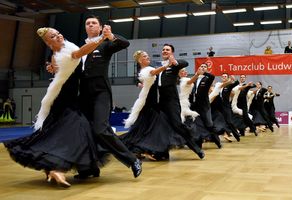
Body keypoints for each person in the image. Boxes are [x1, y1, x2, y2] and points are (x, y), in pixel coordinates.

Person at [4, 27, 107, 188]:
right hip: (64, 100)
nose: (58, 36)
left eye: (58, 33)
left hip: (68, 98)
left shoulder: (60, 52)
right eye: (53, 36)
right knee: (73, 131)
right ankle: (57, 168)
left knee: (58, 133)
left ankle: (55, 168)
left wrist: (54, 69)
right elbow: (81, 52)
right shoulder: (65, 53)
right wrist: (100, 39)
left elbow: (61, 71)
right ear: (48, 43)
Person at [78, 15, 142, 178]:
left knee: (100, 129)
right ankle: (89, 168)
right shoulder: (81, 48)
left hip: (101, 92)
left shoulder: (106, 44)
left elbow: (124, 43)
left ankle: (132, 159)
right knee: (84, 131)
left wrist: (111, 36)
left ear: (100, 28)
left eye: (94, 23)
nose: (90, 25)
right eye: (87, 23)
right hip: (84, 94)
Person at [155, 44, 205, 159]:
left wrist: (175, 62)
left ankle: (197, 148)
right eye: (163, 49)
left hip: (171, 101)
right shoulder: (160, 66)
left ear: (172, 53)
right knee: (161, 126)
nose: (164, 51)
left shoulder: (175, 65)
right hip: (161, 101)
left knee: (177, 126)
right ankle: (162, 153)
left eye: (167, 50)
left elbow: (184, 63)